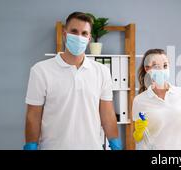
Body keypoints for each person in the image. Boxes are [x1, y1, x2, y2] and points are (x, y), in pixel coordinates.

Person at [23, 12, 121, 150]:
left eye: (84, 33)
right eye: (74, 31)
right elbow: (33, 115)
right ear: (64, 34)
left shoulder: (101, 71)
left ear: (89, 38)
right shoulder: (41, 70)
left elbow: (107, 113)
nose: (79, 37)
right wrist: (31, 144)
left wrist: (114, 142)